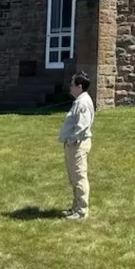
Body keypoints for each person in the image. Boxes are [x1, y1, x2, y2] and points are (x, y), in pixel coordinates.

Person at [58, 72, 95, 221]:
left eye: (72, 85)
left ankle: (81, 211)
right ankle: (76, 207)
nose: (70, 87)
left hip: (78, 144)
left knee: (79, 177)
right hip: (74, 144)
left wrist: (73, 139)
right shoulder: (80, 101)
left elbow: (83, 125)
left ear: (79, 87)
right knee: (74, 177)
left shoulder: (82, 102)